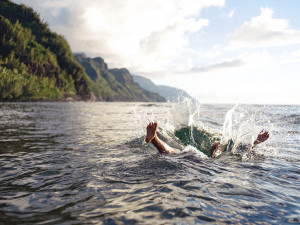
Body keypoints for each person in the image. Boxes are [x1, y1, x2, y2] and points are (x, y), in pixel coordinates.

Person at [145, 122, 269, 158]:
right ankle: (154, 139)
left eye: (216, 147)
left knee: (174, 153)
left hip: (193, 157)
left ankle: (155, 139)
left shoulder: (200, 154)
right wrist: (256, 142)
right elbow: (241, 150)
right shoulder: (215, 159)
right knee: (173, 153)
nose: (215, 147)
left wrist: (256, 141)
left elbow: (240, 149)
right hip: (198, 159)